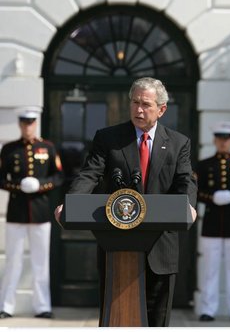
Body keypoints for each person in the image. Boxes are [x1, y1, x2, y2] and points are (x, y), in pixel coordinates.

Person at [55, 77, 197, 327]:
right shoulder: (108, 138)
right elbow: (90, 174)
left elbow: (186, 181)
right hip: (117, 243)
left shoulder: (178, 143)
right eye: (134, 102)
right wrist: (72, 204)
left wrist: (190, 207)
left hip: (160, 246)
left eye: (146, 104)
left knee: (156, 319)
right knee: (116, 316)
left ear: (161, 109)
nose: (139, 109)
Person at [0, 107, 63, 319]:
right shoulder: (9, 149)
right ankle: (6, 306)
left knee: (41, 261)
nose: (28, 127)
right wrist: (19, 187)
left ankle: (42, 306)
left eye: (31, 123)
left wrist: (40, 185)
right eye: (24, 123)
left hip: (40, 212)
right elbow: (1, 179)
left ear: (36, 124)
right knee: (13, 261)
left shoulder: (47, 147)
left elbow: (58, 177)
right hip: (16, 213)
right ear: (19, 125)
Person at [196, 121, 230, 323]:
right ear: (214, 140)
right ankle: (208, 309)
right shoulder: (203, 165)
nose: (223, 142)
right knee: (210, 268)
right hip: (211, 223)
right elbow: (197, 192)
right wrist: (212, 197)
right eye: (219, 139)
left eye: (226, 139)